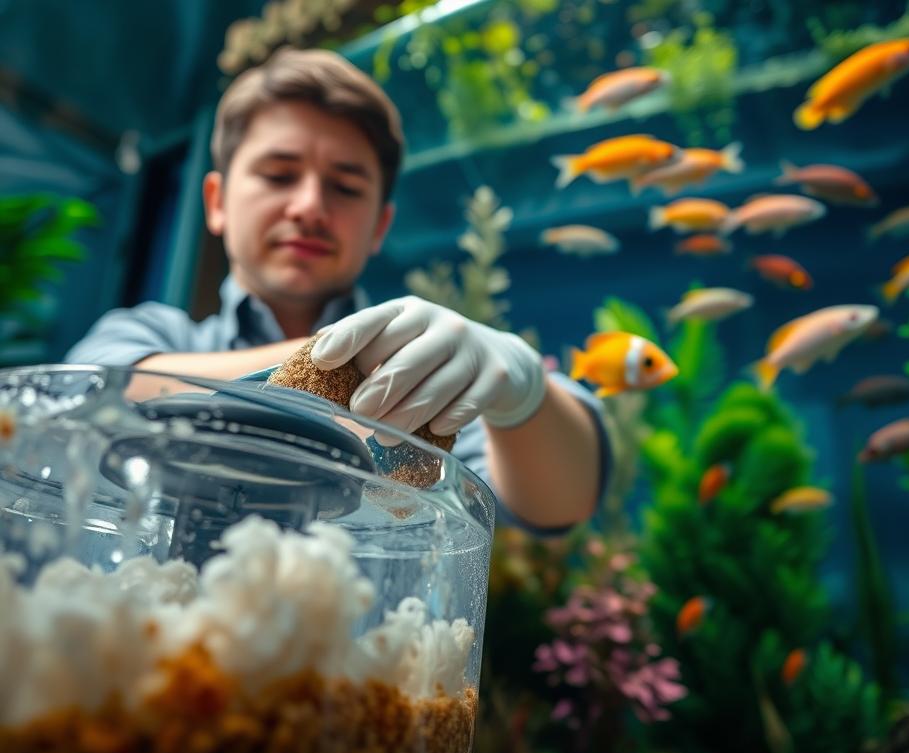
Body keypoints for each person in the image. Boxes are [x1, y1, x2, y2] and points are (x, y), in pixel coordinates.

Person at [65, 47, 611, 533]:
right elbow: (86, 396)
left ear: (379, 226)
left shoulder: (426, 388)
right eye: (278, 175)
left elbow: (560, 501)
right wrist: (354, 361)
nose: (308, 207)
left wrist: (521, 393)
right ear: (218, 202)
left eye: (346, 187)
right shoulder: (152, 332)